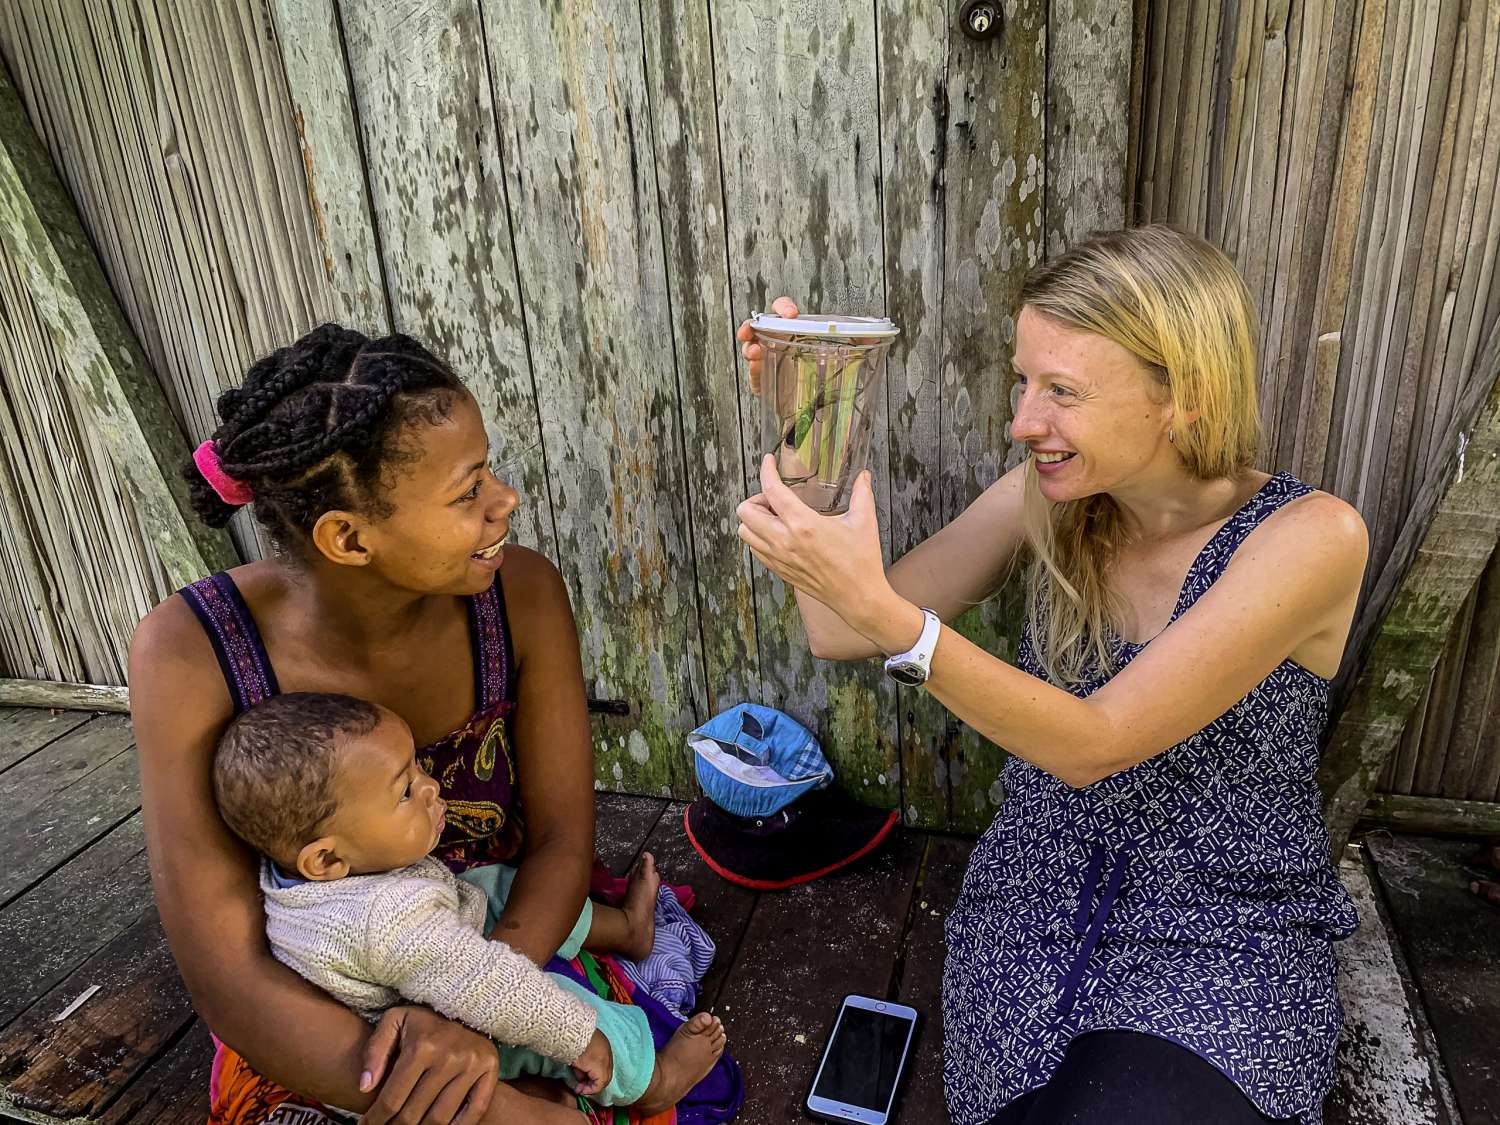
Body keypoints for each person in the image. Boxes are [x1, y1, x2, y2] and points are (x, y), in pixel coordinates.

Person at [734, 225, 1367, 1125]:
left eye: (1062, 391)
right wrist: (808, 419)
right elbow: (837, 626)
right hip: (1031, 919)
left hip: (1220, 939)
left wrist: (895, 625)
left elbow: (1097, 743)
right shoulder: (1046, 500)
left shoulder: (1309, 538)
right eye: (1023, 381)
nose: (1024, 421)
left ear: (1181, 397)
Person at [130, 325, 626, 1124]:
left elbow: (563, 844)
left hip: (511, 942)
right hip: (322, 1009)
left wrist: (472, 1007)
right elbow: (229, 974)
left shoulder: (522, 597)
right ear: (349, 537)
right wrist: (452, 1082)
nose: (506, 499)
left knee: (609, 1068)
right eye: (468, 491)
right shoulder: (193, 653)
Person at [211, 691, 726, 1114]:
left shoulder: (291, 881)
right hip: (447, 1024)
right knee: (557, 1006)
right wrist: (581, 1039)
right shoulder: (387, 923)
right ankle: (651, 1079)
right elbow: (491, 988)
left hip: (430, 952)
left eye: (416, 768)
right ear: (325, 861)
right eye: (406, 792)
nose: (432, 787)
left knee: (499, 884)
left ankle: (627, 930)